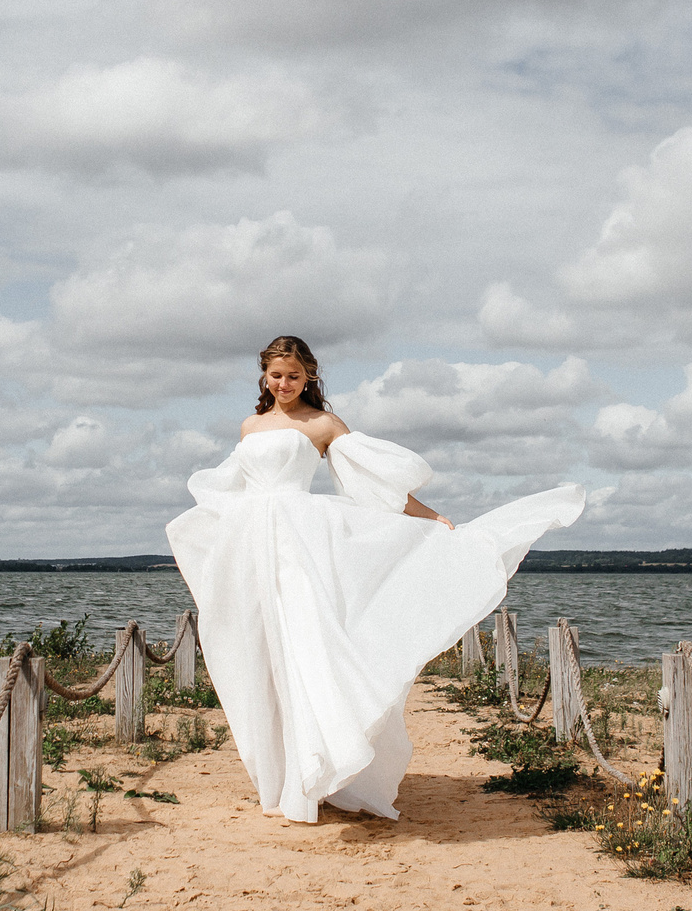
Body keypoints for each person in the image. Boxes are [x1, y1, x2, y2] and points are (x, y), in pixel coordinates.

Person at [167, 335, 584, 823]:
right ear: (264, 376)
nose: (284, 384)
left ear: (310, 377)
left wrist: (426, 515)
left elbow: (371, 481)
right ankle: (286, 774)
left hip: (302, 545)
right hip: (252, 548)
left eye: (294, 376)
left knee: (309, 646)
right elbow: (233, 490)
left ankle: (321, 767)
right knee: (261, 651)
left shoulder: (323, 424)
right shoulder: (249, 426)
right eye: (276, 375)